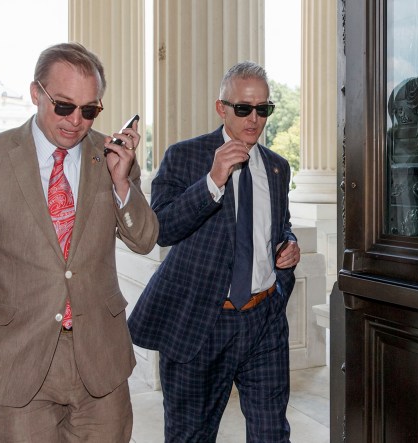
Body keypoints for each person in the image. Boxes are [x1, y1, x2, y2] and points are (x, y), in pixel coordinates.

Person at [0, 42, 159, 442]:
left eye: (90, 109)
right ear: (36, 93)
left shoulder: (111, 156)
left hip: (100, 362)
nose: (76, 121)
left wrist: (121, 183)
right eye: (63, 106)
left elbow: (145, 239)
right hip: (17, 361)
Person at [128, 61, 302, 442]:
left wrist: (288, 246)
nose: (254, 119)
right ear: (221, 108)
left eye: (263, 109)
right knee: (191, 435)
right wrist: (212, 181)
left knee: (272, 432)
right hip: (201, 323)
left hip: (264, 318)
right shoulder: (184, 156)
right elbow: (163, 229)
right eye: (243, 108)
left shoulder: (277, 167)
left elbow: (278, 224)